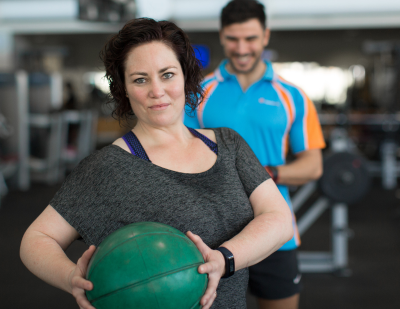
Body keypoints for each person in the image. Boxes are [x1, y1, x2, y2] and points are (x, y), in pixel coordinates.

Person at [20, 18, 293, 309]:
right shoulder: (107, 167)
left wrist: (224, 258)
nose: (157, 90)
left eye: (167, 74)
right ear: (124, 89)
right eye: (140, 79)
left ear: (185, 76)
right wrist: (70, 277)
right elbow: (37, 238)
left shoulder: (228, 145)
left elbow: (279, 219)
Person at [184, 0, 326, 309]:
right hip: (212, 235)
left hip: (276, 233)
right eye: (233, 39)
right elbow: (179, 153)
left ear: (265, 36)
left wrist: (261, 174)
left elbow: (313, 166)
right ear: (222, 36)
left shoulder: (292, 96)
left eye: (250, 38)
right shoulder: (198, 94)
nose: (241, 48)